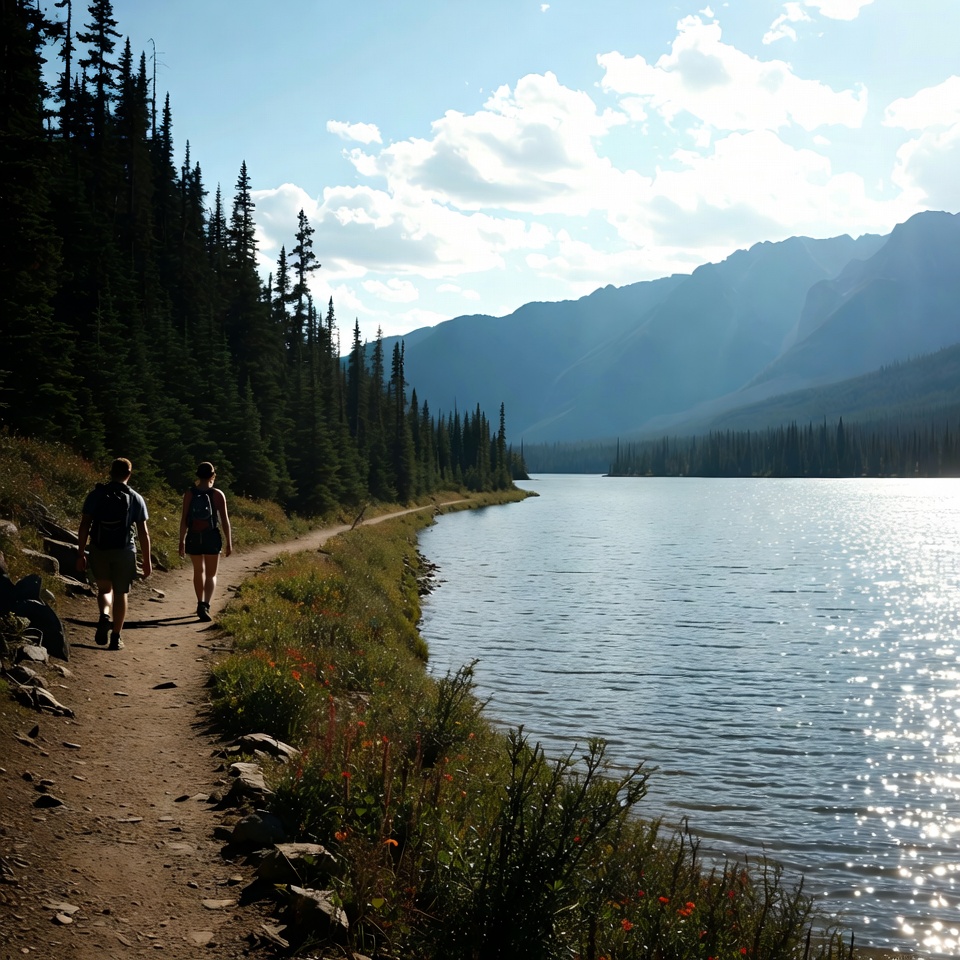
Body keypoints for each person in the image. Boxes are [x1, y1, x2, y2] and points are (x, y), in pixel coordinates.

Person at [76, 458, 152, 651]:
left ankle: (104, 615)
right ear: (129, 474)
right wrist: (147, 560)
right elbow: (143, 533)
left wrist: (80, 553)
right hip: (124, 550)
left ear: (111, 472)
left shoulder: (96, 494)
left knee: (104, 589)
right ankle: (116, 637)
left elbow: (84, 525)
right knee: (121, 592)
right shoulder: (135, 497)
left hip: (99, 548)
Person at [178, 462, 232, 621]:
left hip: (194, 536)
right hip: (211, 537)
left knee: (198, 571)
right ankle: (205, 605)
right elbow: (225, 520)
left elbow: (184, 519)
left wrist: (181, 541)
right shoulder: (217, 494)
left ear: (198, 475)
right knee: (211, 574)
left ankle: (199, 601)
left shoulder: (189, 493)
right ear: (213, 475)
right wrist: (229, 542)